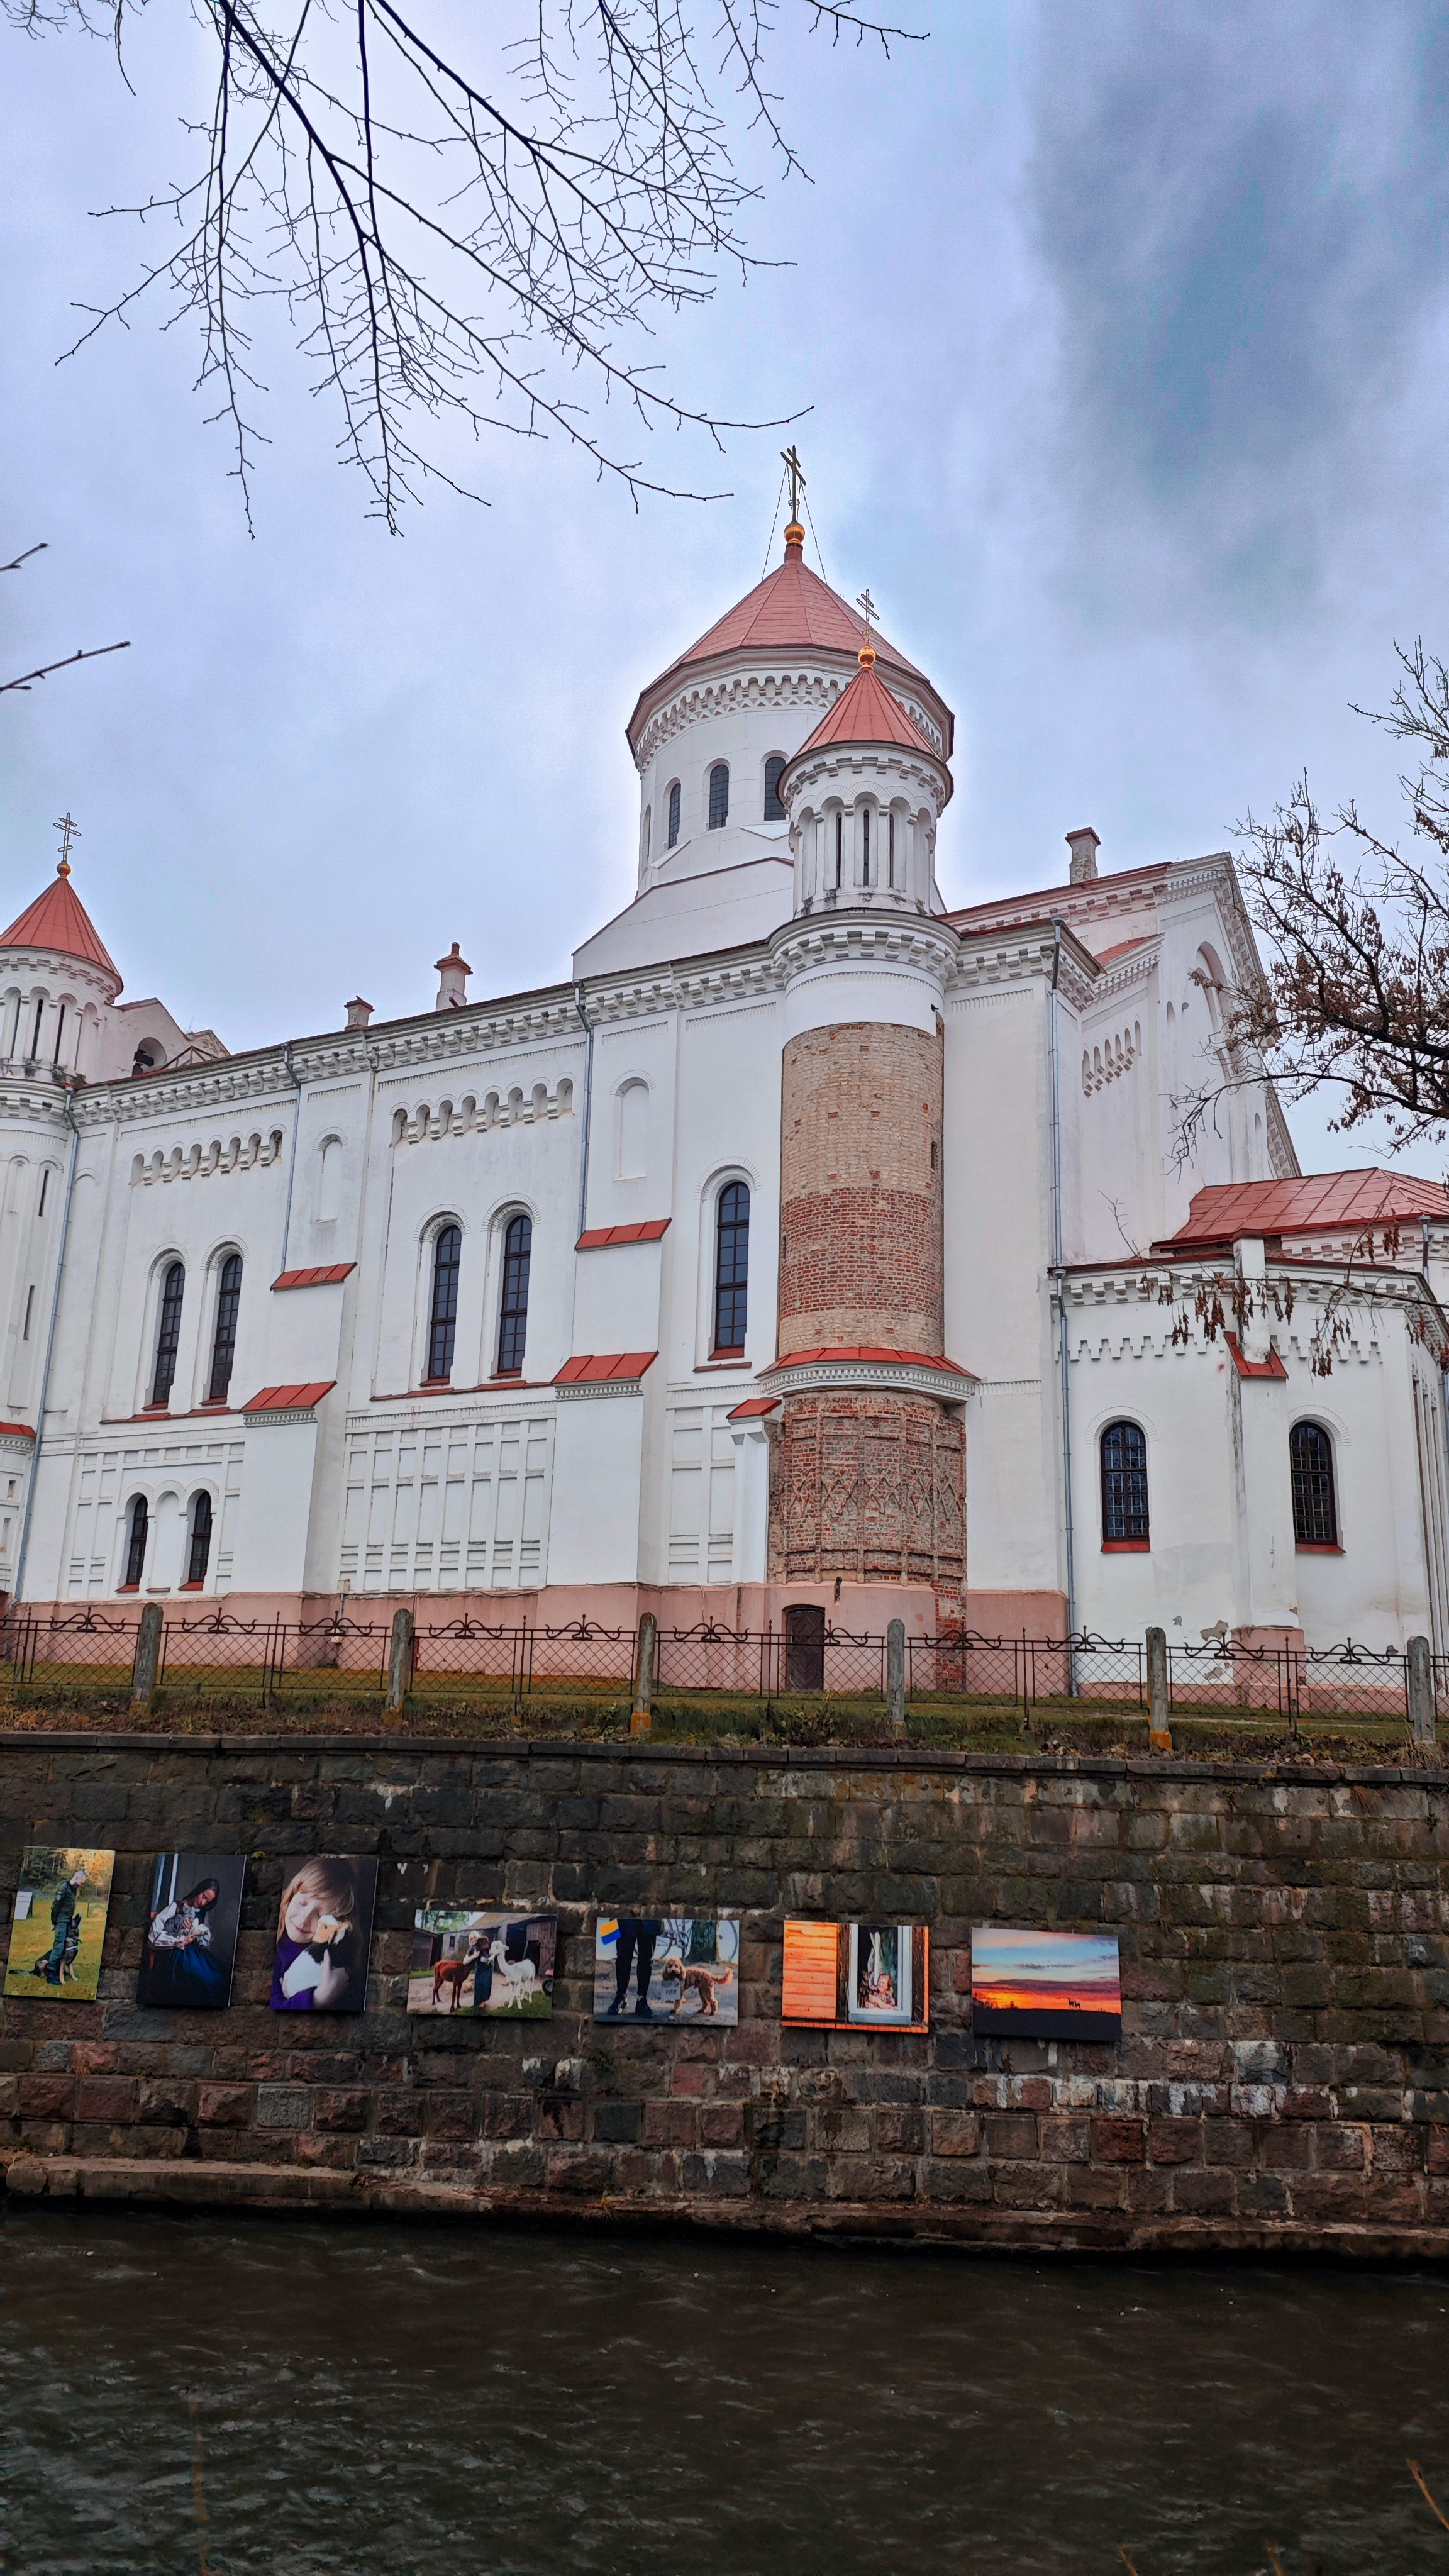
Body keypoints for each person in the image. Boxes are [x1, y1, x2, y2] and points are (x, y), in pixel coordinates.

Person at [271, 1860, 362, 2011]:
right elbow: (272, 2008)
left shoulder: (332, 1962)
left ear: (338, 1924)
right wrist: (317, 2000)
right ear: (292, 1895)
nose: (305, 1919)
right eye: (302, 1903)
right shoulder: (274, 1947)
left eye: (320, 1915)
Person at [144, 1878, 225, 2004]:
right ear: (199, 1890)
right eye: (203, 1896)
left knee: (218, 1977)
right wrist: (179, 1940)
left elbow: (204, 1942)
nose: (202, 1902)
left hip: (194, 1953)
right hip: (175, 1952)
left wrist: (199, 1932)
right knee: (197, 1980)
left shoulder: (202, 1914)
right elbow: (154, 1934)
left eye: (207, 1901)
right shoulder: (176, 1907)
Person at [32, 1865, 86, 1985]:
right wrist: (54, 1923)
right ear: (77, 1877)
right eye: (81, 1882)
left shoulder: (73, 1890)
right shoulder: (64, 1888)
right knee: (59, 1947)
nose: (81, 1885)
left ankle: (58, 1969)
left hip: (67, 1922)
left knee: (65, 1947)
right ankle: (51, 1974)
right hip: (62, 1922)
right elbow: (55, 1907)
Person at [604, 1916, 662, 2019]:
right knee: (623, 1955)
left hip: (650, 1916)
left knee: (646, 1957)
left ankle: (641, 2000)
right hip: (626, 1913)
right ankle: (621, 1997)